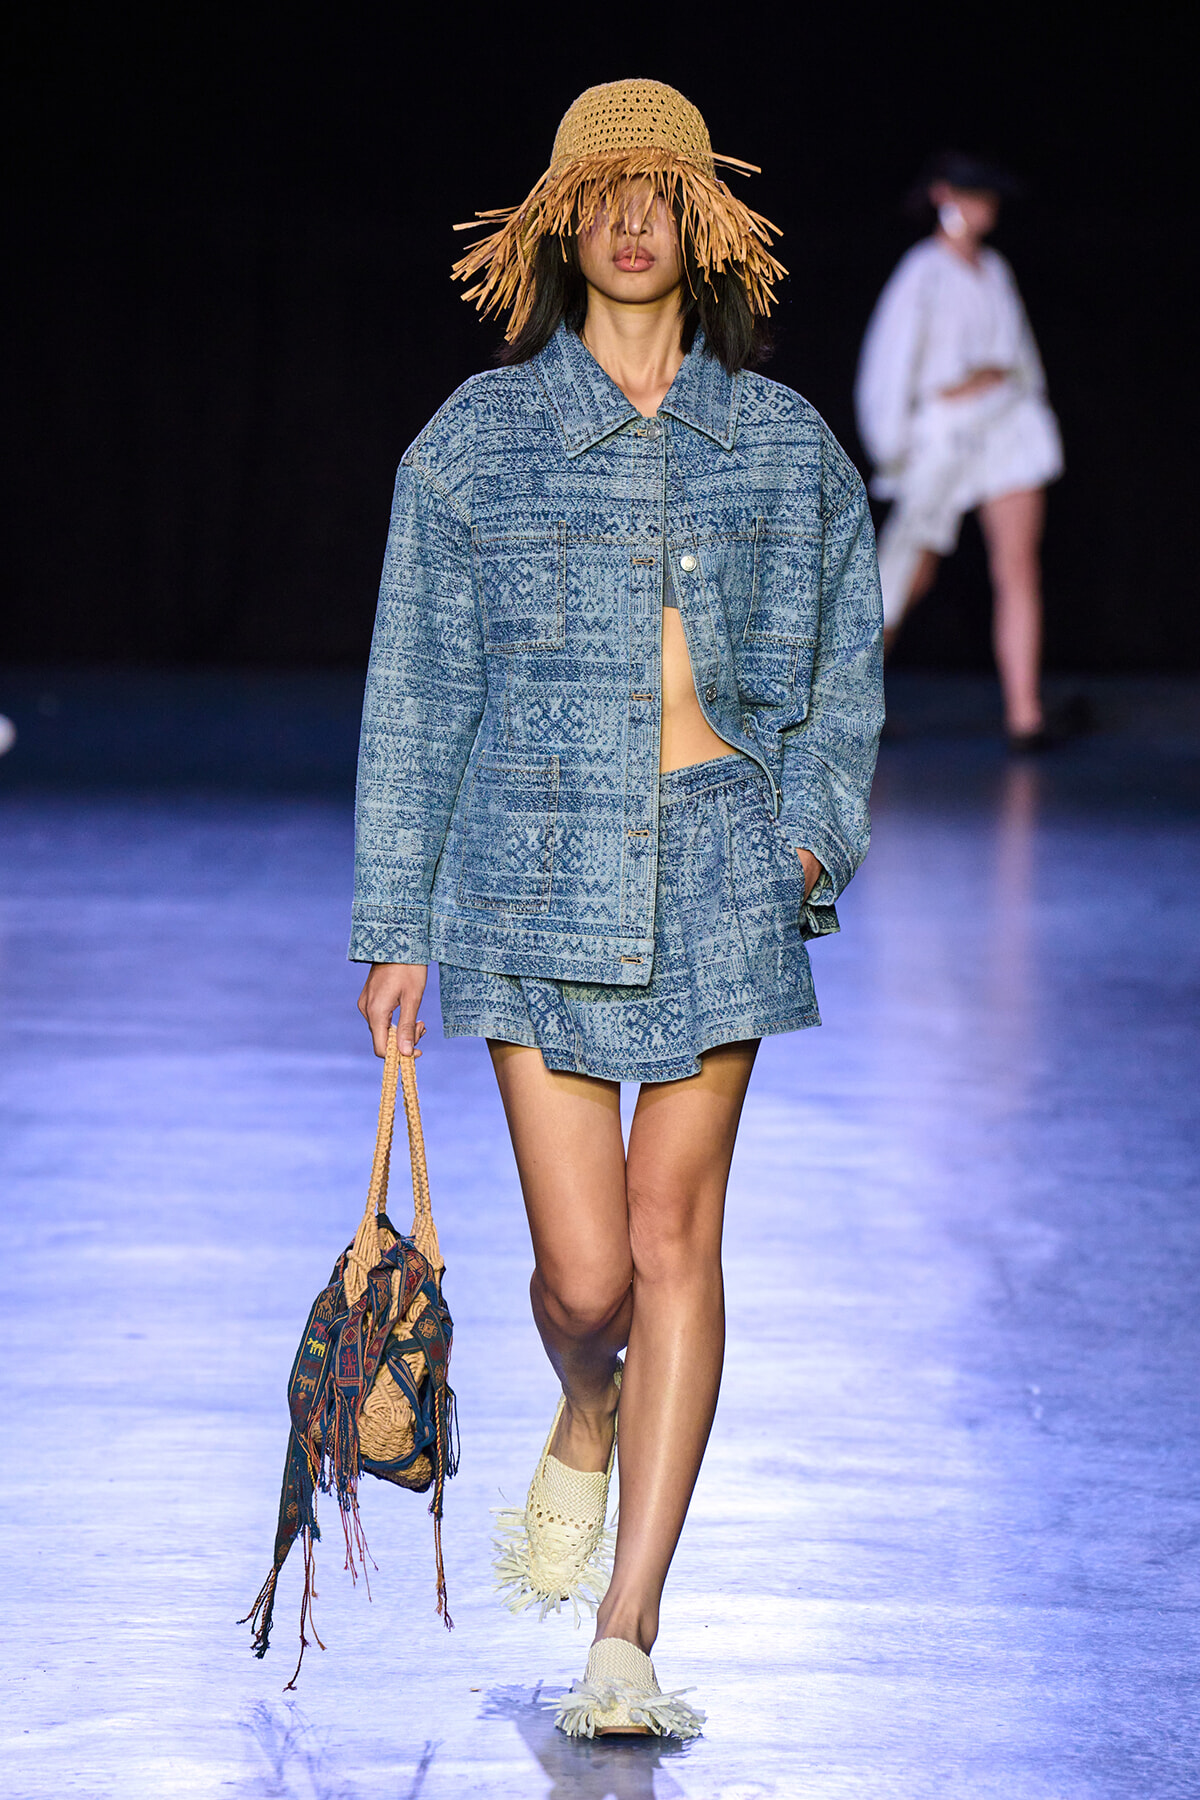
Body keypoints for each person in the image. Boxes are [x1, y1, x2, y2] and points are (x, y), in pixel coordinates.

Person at [352, 78, 883, 1738]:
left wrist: (808, 839)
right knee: (586, 1285)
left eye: (665, 193)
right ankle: (587, 1409)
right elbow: (419, 684)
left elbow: (845, 665)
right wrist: (395, 922)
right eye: (606, 192)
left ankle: (626, 1630)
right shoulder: (478, 445)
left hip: (724, 862)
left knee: (676, 1243)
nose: (636, 218)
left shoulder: (784, 448)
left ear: (702, 225)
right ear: (561, 223)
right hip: (526, 877)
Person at [855, 151, 1064, 750]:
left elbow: (1020, 356)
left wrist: (1023, 399)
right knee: (905, 574)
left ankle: (1025, 714)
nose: (984, 207)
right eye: (972, 194)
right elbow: (889, 366)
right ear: (944, 195)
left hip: (1002, 427)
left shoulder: (994, 271)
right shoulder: (922, 271)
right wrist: (895, 447)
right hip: (944, 435)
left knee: (1018, 567)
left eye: (989, 197)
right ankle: (846, 709)